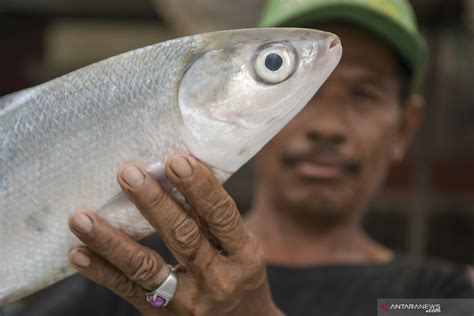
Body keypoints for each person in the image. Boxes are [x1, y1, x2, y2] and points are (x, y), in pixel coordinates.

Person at [10, 0, 474, 315]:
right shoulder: (132, 272)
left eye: (364, 94)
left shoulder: (434, 299)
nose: (326, 126)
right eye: (303, 93)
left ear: (405, 127)